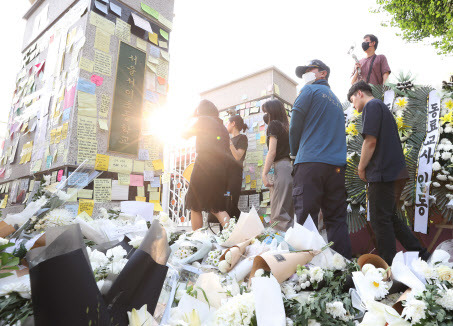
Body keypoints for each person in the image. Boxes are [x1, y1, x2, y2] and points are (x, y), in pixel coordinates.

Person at [347, 81, 430, 264]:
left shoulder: (372, 105)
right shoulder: (380, 107)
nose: (353, 106)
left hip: (383, 173)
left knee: (379, 220)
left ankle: (388, 267)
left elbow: (370, 141)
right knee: (389, 218)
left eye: (352, 100)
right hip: (393, 172)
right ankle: (423, 256)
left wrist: (361, 167)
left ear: (360, 93)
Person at [290, 59, 352, 259]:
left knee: (306, 218)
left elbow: (294, 125)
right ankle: (341, 266)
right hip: (336, 167)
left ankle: (306, 268)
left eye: (310, 70)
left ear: (323, 73)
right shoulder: (335, 100)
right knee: (335, 219)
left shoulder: (308, 92)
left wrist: (293, 152)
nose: (306, 74)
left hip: (310, 163)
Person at [183, 100, 231, 230]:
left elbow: (184, 134)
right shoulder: (223, 128)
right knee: (217, 207)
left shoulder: (203, 120)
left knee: (194, 204)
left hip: (204, 164)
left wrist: (191, 117)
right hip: (221, 168)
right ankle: (233, 236)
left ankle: (197, 239)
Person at [261, 99, 294, 231]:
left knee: (279, 213)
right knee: (286, 211)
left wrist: (264, 173)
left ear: (271, 112)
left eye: (266, 112)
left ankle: (281, 247)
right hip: (288, 167)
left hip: (280, 167)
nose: (265, 116)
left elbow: (272, 152)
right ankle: (289, 244)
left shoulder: (273, 125)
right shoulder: (286, 126)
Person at [226, 115, 249, 219]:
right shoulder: (228, 140)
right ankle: (225, 232)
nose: (226, 125)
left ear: (233, 123)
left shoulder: (242, 138)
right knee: (225, 204)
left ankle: (237, 230)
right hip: (225, 178)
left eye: (228, 123)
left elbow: (238, 156)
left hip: (234, 177)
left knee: (231, 203)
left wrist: (229, 143)